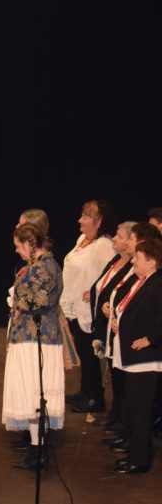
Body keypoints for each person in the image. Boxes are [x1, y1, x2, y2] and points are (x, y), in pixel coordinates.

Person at [3, 223, 64, 470]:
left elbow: (40, 299)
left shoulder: (45, 267)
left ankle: (39, 452)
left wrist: (18, 303)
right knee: (31, 396)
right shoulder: (38, 265)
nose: (16, 250)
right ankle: (34, 447)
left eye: (18, 246)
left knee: (35, 394)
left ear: (30, 244)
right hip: (29, 336)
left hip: (37, 339)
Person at [108, 239, 162, 474]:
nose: (133, 261)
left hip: (146, 360)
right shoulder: (143, 282)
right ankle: (134, 450)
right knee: (133, 407)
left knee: (141, 411)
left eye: (138, 258)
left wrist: (150, 339)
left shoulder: (157, 285)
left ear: (151, 262)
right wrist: (117, 320)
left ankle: (139, 460)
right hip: (132, 357)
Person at [61, 200, 117, 414]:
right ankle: (85, 391)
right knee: (83, 352)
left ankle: (95, 397)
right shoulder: (82, 240)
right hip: (74, 305)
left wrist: (94, 291)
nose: (80, 220)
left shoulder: (103, 245)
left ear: (99, 221)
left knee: (90, 353)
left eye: (85, 217)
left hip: (87, 310)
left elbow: (112, 273)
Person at [88, 222, 137, 434]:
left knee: (121, 380)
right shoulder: (117, 260)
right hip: (108, 326)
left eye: (120, 236)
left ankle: (121, 421)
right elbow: (108, 288)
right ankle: (115, 416)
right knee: (115, 377)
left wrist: (112, 306)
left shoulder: (133, 267)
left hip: (120, 330)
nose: (114, 239)